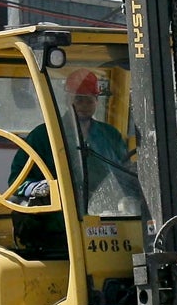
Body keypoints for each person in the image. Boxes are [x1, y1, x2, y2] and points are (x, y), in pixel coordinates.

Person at [8, 68, 130, 251]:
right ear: (67, 100)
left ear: (97, 101)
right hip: (56, 230)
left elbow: (126, 175)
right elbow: (16, 182)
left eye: (89, 99)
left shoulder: (110, 136)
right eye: (78, 99)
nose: (84, 105)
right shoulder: (43, 136)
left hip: (107, 228)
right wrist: (37, 187)